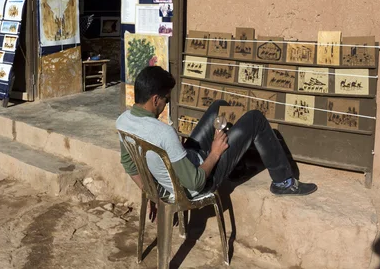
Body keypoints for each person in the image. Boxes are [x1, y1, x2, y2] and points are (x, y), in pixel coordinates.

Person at [117, 66, 317, 209]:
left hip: (188, 162)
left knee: (219, 107)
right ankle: (284, 183)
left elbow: (129, 166)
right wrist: (214, 153)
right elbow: (195, 182)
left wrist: (152, 194)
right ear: (155, 99)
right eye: (166, 100)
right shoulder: (163, 133)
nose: (165, 105)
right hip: (199, 182)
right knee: (255, 118)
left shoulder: (123, 121)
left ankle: (236, 166)